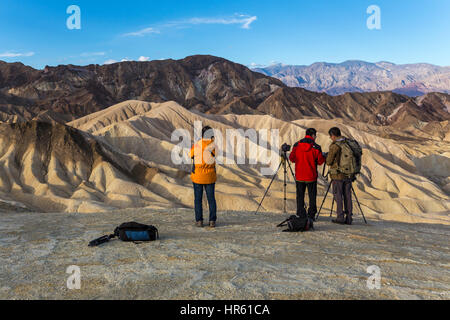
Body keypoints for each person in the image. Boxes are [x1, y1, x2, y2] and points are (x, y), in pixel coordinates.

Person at [289, 128, 325, 221]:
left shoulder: (297, 145)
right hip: (311, 176)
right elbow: (321, 161)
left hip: (299, 176)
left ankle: (301, 213)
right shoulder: (316, 147)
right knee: (312, 196)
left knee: (300, 195)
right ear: (313, 135)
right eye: (315, 135)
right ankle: (311, 215)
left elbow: (292, 158)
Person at [190, 126, 217, 228]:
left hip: (197, 176)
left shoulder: (196, 145)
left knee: (198, 200)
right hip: (210, 177)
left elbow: (191, 155)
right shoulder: (213, 146)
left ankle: (199, 221)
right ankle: (212, 221)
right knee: (211, 199)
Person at [326, 127, 354, 225]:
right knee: (347, 196)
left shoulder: (335, 146)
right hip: (348, 174)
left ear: (333, 135)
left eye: (331, 136)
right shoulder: (348, 143)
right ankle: (349, 218)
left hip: (337, 175)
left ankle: (340, 217)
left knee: (338, 196)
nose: (331, 138)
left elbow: (329, 161)